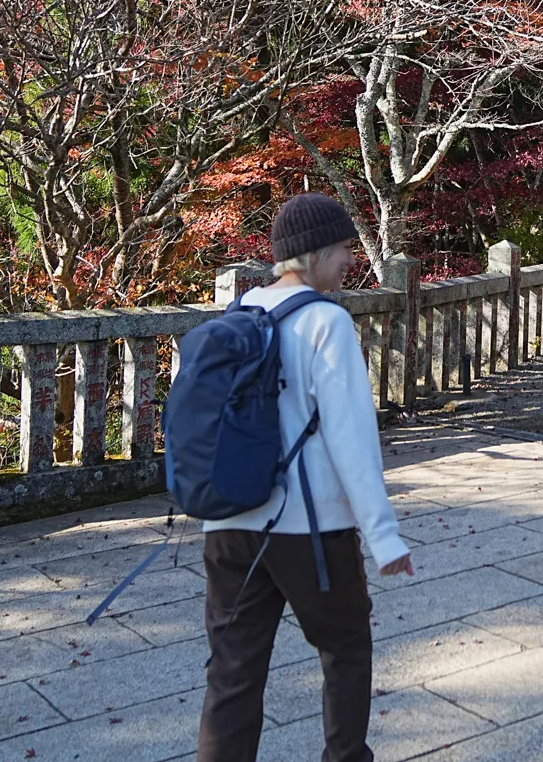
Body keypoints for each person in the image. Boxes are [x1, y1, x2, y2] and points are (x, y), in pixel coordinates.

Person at [198, 193, 413, 762]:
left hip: (227, 525)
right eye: (343, 248)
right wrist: (384, 536)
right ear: (314, 254)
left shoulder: (238, 313)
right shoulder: (327, 322)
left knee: (232, 675)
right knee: (345, 650)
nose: (350, 260)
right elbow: (352, 440)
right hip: (309, 531)